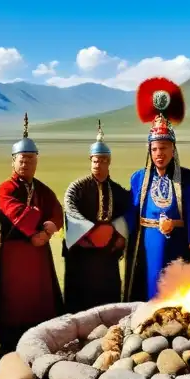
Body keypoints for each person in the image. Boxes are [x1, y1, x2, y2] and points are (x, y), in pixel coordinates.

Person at [123, 77, 190, 301]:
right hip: (148, 245)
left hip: (178, 245)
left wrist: (177, 226)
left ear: (173, 149)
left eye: (164, 148)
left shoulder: (188, 179)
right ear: (149, 151)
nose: (159, 153)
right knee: (149, 288)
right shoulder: (138, 179)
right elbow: (130, 213)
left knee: (176, 293)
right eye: (154, 149)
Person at [0, 113, 64, 352]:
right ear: (13, 161)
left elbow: (57, 211)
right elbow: (15, 211)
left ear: (37, 161)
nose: (26, 164)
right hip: (16, 253)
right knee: (16, 301)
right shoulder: (6, 187)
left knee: (40, 299)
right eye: (22, 160)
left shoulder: (42, 188)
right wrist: (37, 228)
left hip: (39, 251)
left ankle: (41, 339)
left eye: (31, 159)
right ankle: (11, 344)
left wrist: (50, 228)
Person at [62, 121, 131, 311]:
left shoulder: (117, 191)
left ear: (109, 162)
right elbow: (70, 210)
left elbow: (127, 213)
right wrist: (93, 233)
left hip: (106, 257)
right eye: (94, 160)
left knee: (107, 302)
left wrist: (118, 237)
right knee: (81, 303)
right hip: (83, 255)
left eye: (102, 160)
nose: (97, 164)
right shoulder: (76, 188)